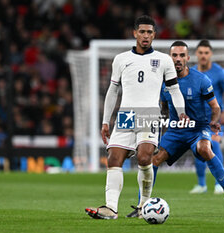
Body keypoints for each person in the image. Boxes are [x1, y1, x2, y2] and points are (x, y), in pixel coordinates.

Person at [85, 15, 188, 220]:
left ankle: (143, 205)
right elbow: (112, 91)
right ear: (135, 33)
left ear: (154, 35)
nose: (146, 35)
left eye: (150, 32)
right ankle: (111, 209)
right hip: (126, 115)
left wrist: (182, 111)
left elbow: (174, 90)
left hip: (149, 114)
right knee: (114, 158)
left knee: (144, 158)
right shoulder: (121, 59)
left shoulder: (164, 60)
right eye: (142, 31)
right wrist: (106, 120)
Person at [126, 41, 224, 218]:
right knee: (153, 160)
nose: (178, 59)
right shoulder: (162, 81)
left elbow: (216, 107)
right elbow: (163, 106)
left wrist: (213, 122)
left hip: (198, 128)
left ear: (188, 58)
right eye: (175, 56)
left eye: (182, 56)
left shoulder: (201, 79)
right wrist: (162, 121)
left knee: (205, 148)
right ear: (169, 58)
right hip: (176, 130)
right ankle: (141, 206)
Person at [189, 39, 224, 194]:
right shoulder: (191, 72)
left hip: (214, 119)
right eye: (200, 53)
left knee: (214, 145)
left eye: (206, 53)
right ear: (196, 54)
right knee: (199, 148)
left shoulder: (219, 72)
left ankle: (218, 184)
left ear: (211, 54)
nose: (203, 56)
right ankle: (201, 184)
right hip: (196, 118)